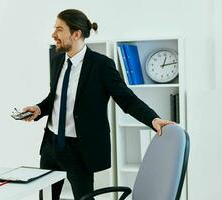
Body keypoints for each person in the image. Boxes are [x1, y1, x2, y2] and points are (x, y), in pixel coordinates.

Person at [23, 9, 175, 200]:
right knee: (46, 198)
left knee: (84, 198)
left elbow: (127, 99)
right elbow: (55, 98)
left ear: (76, 33)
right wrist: (38, 109)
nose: (54, 34)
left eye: (59, 29)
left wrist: (153, 119)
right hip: (51, 146)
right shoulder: (56, 60)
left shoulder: (102, 66)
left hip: (80, 149)